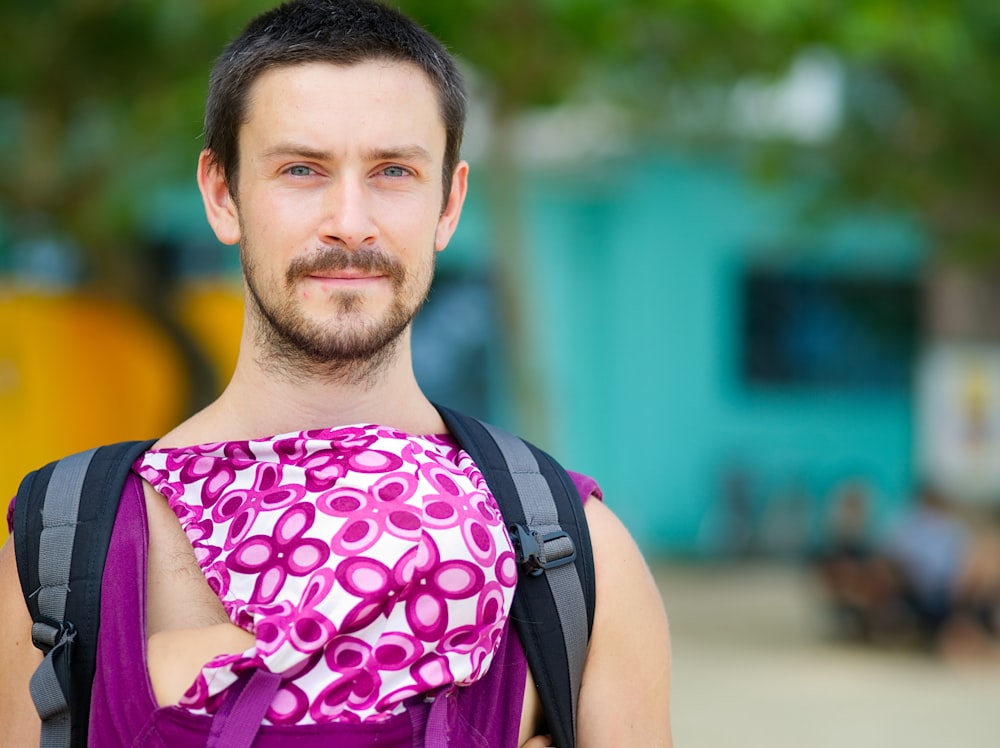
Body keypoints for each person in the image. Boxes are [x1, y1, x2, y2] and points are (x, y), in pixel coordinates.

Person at [0, 1, 673, 745]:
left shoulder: (581, 559)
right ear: (223, 196)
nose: (349, 221)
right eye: (300, 169)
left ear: (448, 205)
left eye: (393, 171)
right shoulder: (53, 556)